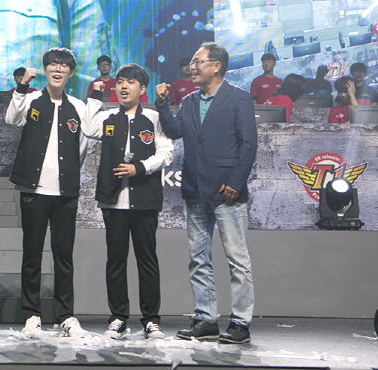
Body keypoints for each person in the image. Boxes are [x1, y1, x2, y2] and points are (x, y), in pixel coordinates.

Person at [155, 42, 257, 344]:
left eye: (198, 61)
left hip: (227, 192)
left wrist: (236, 182)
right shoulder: (188, 101)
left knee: (237, 261)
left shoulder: (238, 99)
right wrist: (162, 104)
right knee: (198, 259)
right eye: (192, 62)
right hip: (195, 190)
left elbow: (248, 144)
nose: (193, 67)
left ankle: (240, 324)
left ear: (217, 66)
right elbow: (175, 131)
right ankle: (206, 319)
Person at [83, 64, 173, 340]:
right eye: (120, 82)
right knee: (116, 261)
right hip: (113, 201)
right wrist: (95, 97)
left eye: (130, 82)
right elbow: (88, 127)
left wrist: (140, 168)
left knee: (147, 261)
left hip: (145, 200)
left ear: (142, 89)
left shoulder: (154, 118)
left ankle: (151, 320)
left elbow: (167, 153)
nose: (123, 87)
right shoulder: (108, 117)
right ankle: (118, 317)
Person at [6, 48, 90, 339]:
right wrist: (21, 86)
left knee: (63, 255)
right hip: (34, 189)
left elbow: (82, 147)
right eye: (53, 64)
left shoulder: (78, 106)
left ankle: (66, 316)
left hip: (65, 192)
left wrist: (66, 174)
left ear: (70, 73)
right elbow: (12, 118)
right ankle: (31, 315)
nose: (58, 69)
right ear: (45, 70)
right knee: (32, 254)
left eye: (64, 66)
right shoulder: (30, 99)